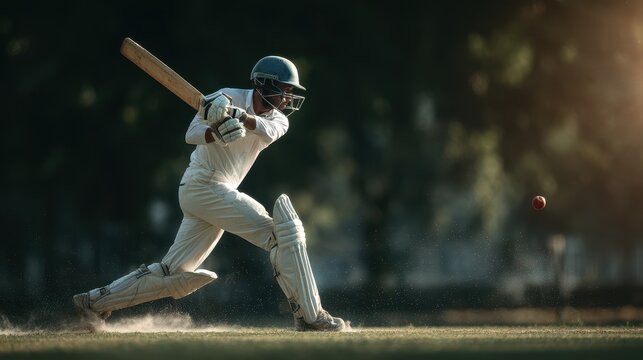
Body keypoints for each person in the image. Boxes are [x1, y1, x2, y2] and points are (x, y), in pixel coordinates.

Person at [73, 55, 348, 332]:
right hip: (203, 184)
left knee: (172, 272)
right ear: (265, 85)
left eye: (290, 92)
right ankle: (311, 316)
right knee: (281, 234)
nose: (288, 97)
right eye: (285, 89)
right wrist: (214, 131)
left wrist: (239, 116)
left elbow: (264, 129)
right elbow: (191, 134)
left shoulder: (279, 120)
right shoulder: (226, 96)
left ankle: (93, 302)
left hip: (213, 192)